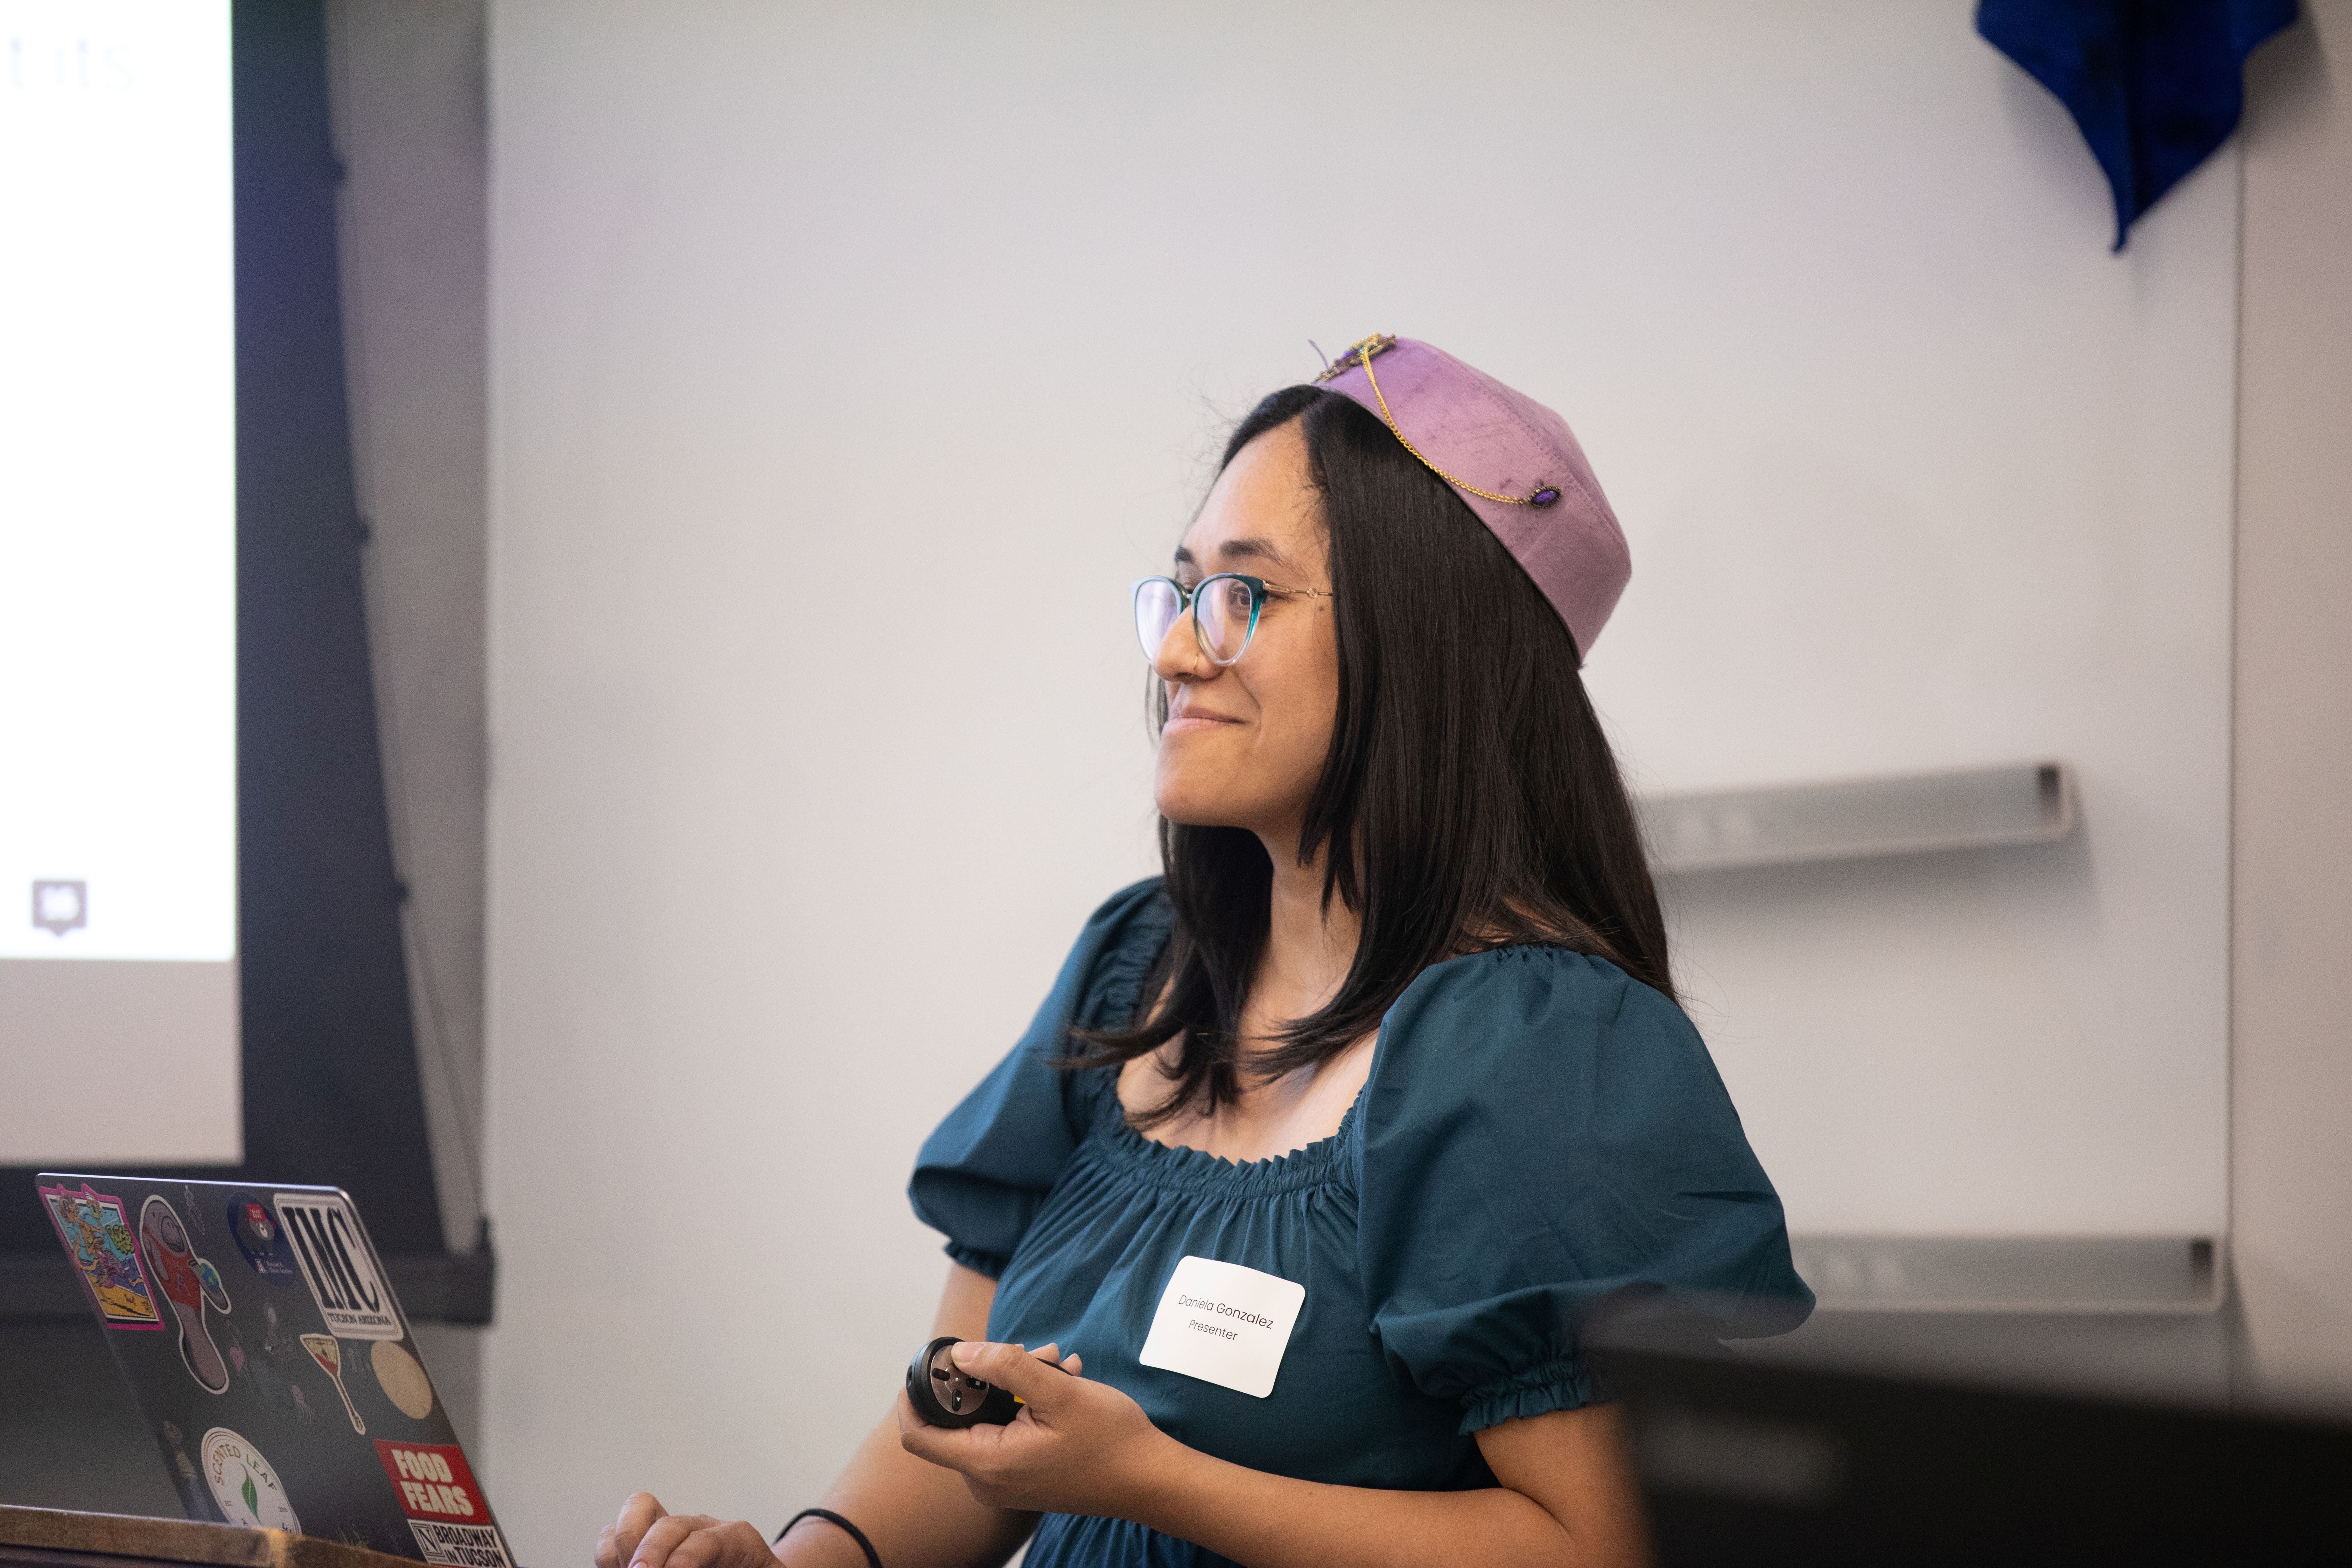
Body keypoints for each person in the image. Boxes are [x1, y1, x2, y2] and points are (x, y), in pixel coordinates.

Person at [597, 336, 1812, 1568]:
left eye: (1245, 597)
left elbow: (1594, 1549)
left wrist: (1157, 1482)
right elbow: (968, 1423)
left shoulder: (1537, 1048)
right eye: (1178, 593)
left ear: (1426, 641)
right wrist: (805, 1564)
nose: (1178, 650)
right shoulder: (1138, 966)